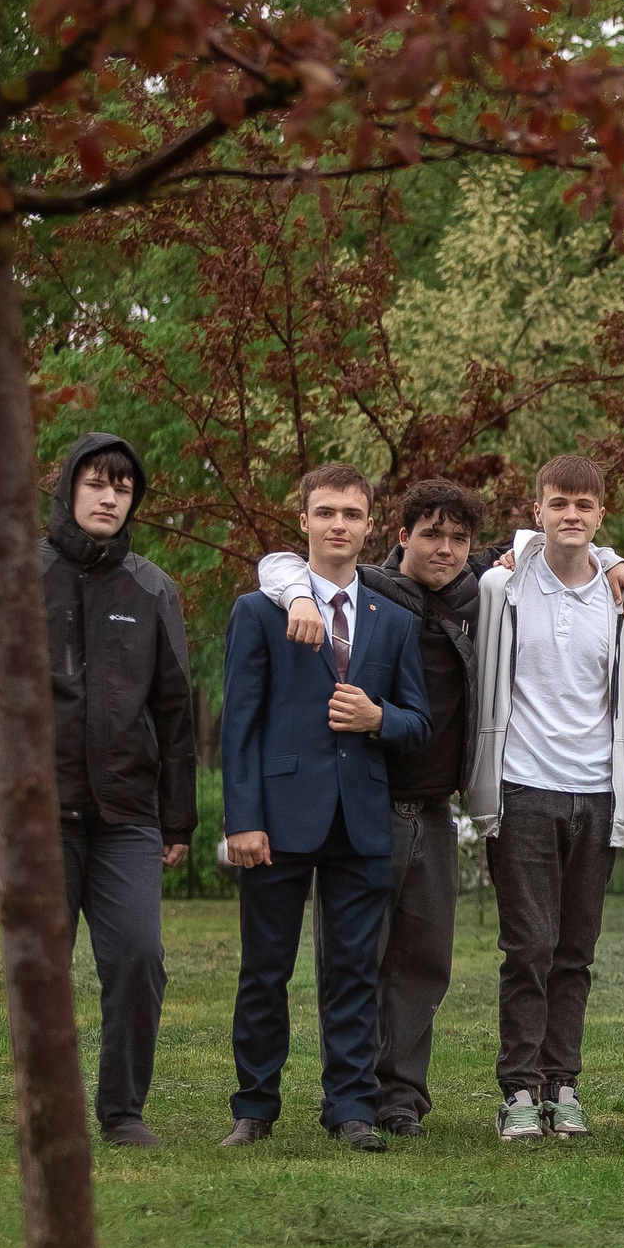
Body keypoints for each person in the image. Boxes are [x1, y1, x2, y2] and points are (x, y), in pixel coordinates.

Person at [0, 432, 196, 1148]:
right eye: (97, 482)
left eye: (123, 488)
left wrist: (175, 819)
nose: (110, 496)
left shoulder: (153, 589)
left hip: (126, 817)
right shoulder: (15, 575)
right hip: (36, 813)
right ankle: (46, 1109)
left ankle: (122, 1112)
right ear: (69, 490)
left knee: (138, 958)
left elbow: (176, 712)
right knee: (42, 969)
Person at [254, 478, 497, 1138]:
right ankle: (352, 1096)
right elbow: (282, 564)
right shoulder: (372, 593)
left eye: (457, 538)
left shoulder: (483, 601)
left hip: (438, 809)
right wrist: (300, 592)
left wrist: (617, 566)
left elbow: (552, 542)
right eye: (430, 535)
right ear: (399, 537)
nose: (444, 548)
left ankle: (401, 1096)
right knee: (357, 962)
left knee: (424, 964)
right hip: (367, 805)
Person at [217, 463, 432, 1152]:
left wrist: (378, 717)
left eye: (351, 513)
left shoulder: (394, 620)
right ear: (304, 521)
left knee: (352, 972)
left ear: (371, 525)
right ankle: (254, 1106)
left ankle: (351, 1108)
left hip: (361, 819)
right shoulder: (261, 610)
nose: (338, 524)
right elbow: (238, 726)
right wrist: (242, 819)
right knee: (265, 969)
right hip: (277, 818)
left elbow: (418, 722)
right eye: (325, 512)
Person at [466, 455, 624, 1141]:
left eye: (585, 504)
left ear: (602, 514)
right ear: (536, 509)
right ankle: (518, 1088)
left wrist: (616, 561)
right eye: (559, 502)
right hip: (523, 787)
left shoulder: (621, 595)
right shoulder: (502, 585)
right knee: (529, 945)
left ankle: (563, 1084)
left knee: (575, 949)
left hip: (595, 793)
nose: (572, 513)